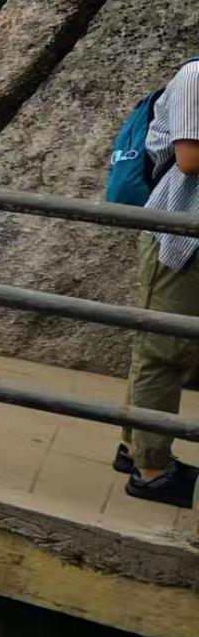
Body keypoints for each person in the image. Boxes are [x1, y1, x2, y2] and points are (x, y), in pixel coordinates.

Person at [117, 57, 199, 506]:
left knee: (165, 346)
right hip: (178, 237)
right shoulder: (196, 77)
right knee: (163, 350)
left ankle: (136, 447)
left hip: (188, 235)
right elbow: (190, 160)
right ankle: (151, 470)